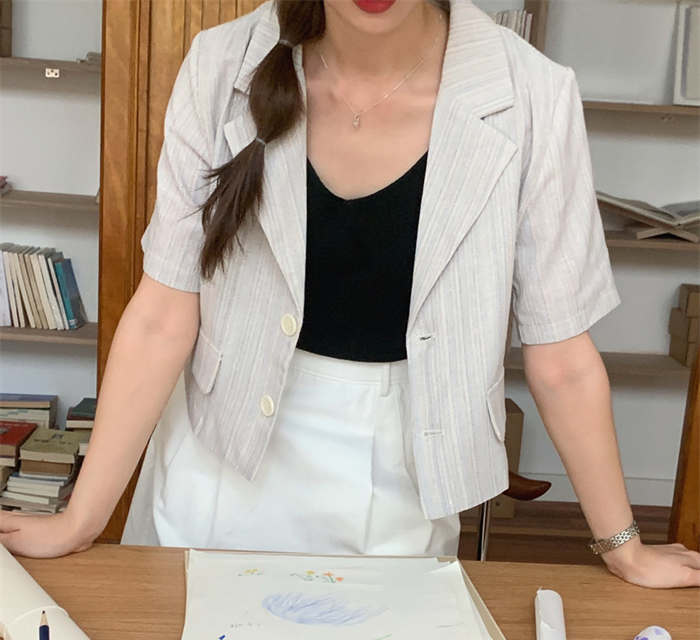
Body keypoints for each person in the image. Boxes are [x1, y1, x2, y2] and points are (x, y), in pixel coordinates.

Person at [1, 0, 698, 588]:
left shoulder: (533, 95)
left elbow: (562, 353)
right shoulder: (220, 65)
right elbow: (163, 313)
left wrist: (624, 545)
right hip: (214, 471)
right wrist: (81, 518)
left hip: (397, 483)